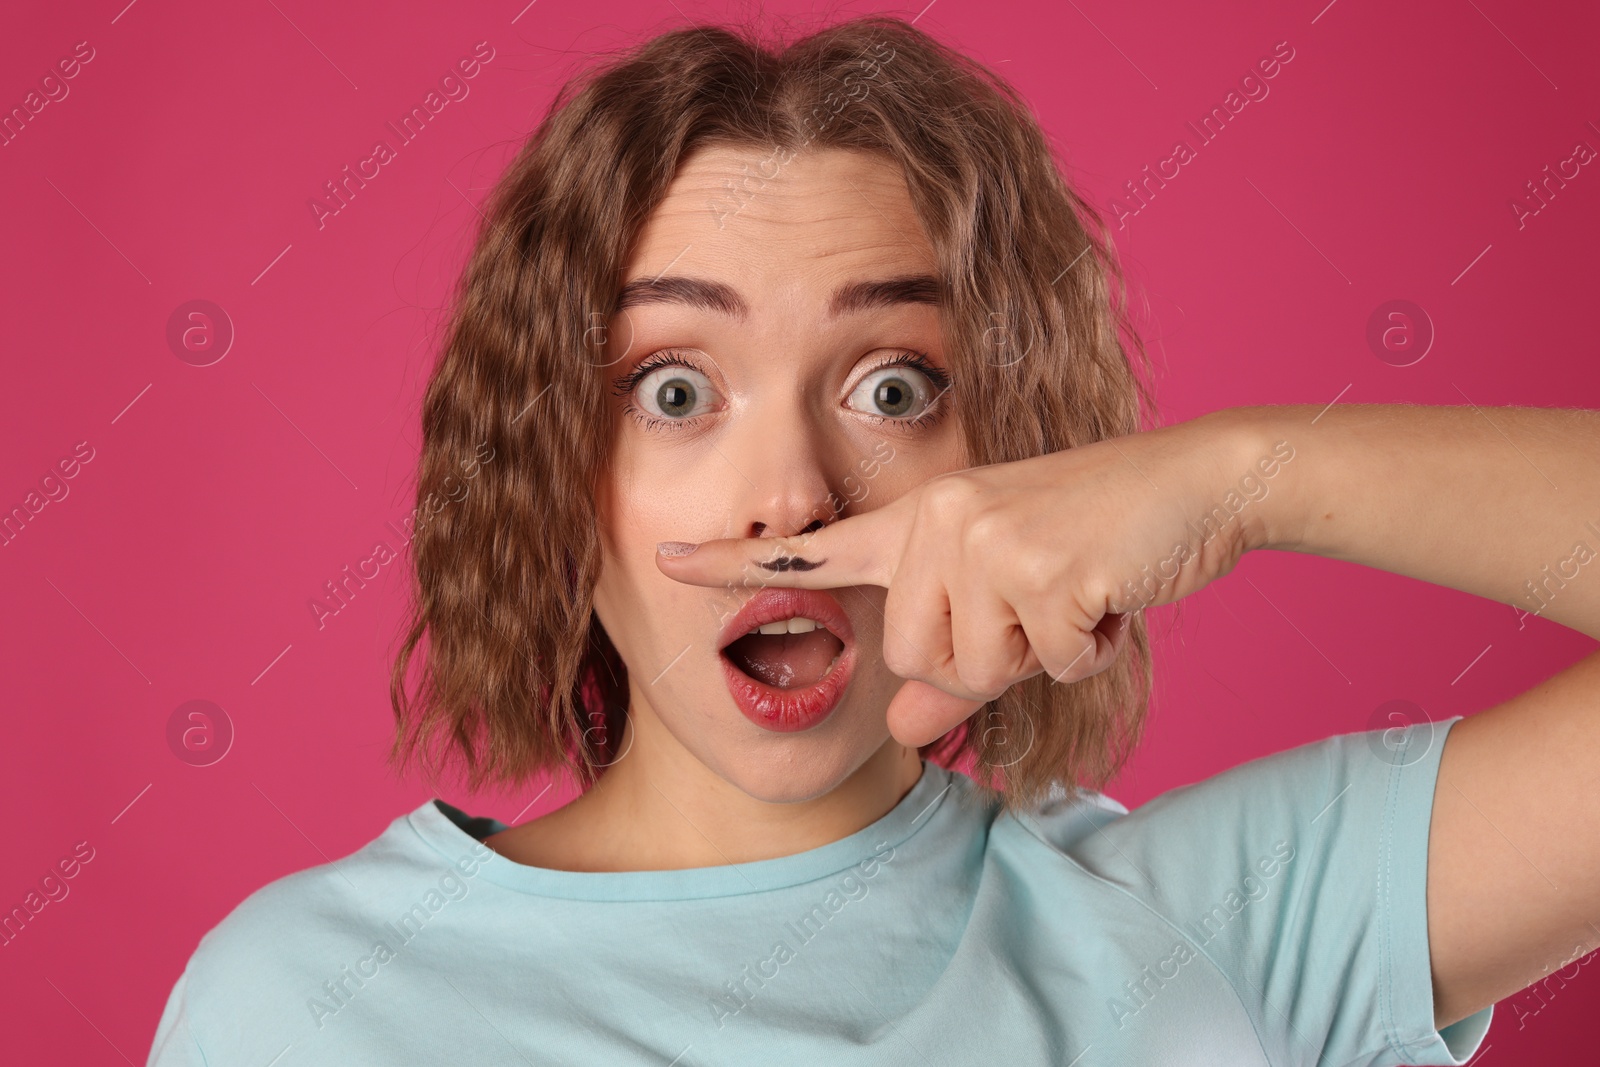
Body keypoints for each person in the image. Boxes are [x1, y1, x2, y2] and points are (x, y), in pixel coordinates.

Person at [147, 14, 1599, 1067]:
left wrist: (1244, 477)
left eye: (892, 388)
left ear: (1009, 465)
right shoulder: (309, 1002)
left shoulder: (1211, 928)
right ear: (555, 478)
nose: (791, 495)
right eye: (674, 391)